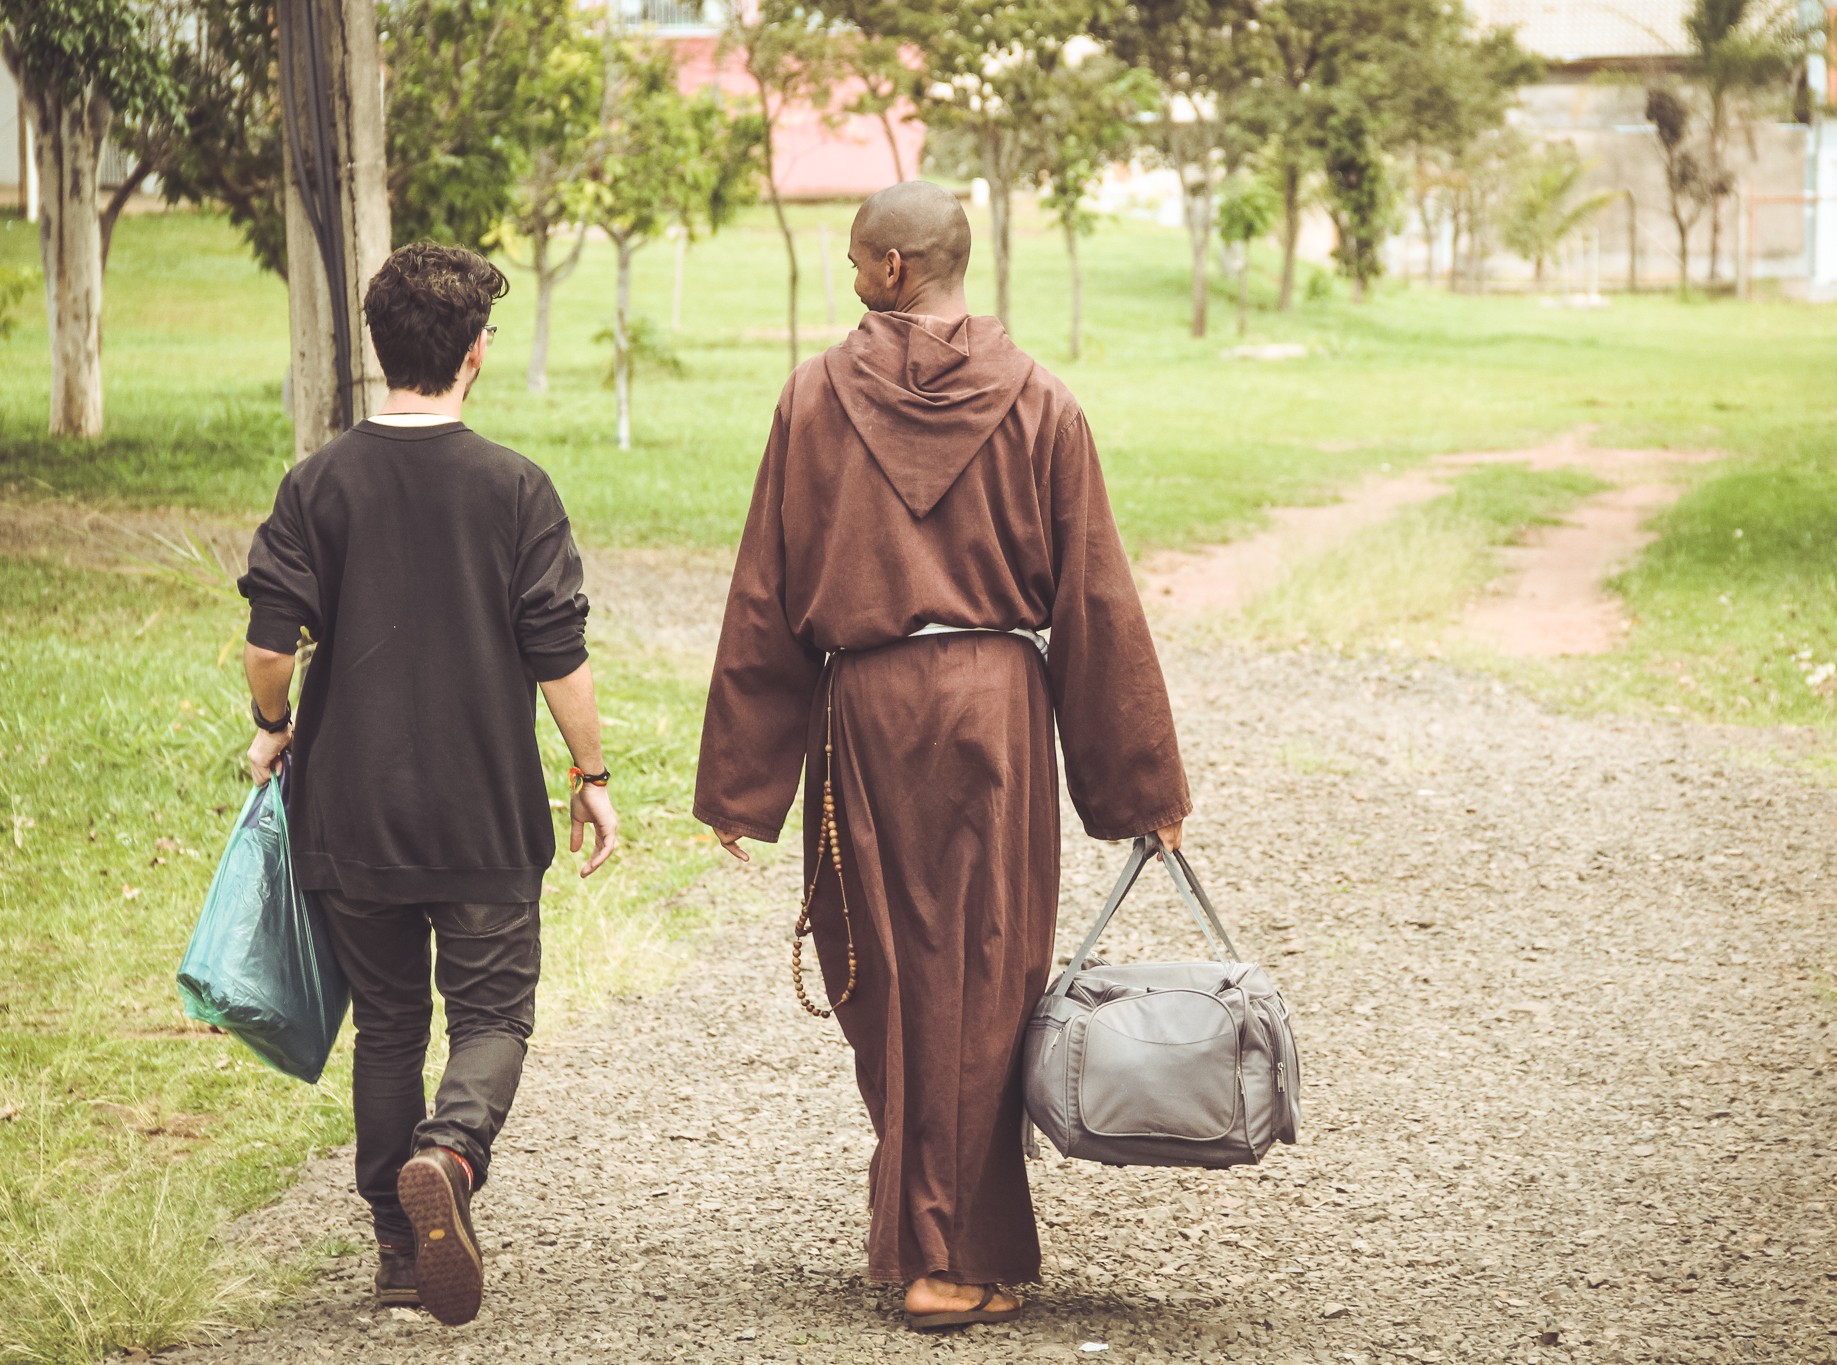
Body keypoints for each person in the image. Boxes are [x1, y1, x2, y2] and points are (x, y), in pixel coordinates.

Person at [694, 181, 1191, 1330]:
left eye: (857, 258)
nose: (850, 274)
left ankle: (930, 1240)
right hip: (995, 713)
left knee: (889, 984)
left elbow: (766, 594)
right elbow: (1094, 601)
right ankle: (949, 1248)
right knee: (985, 978)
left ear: (891, 272)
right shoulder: (1042, 403)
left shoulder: (814, 399)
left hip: (863, 714)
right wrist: (1139, 788)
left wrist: (740, 782)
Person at [236, 242, 619, 1327]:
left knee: (391, 1022)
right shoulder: (512, 488)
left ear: (380, 348)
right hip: (484, 811)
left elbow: (269, 647)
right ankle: (449, 1156)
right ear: (474, 353)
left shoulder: (317, 482)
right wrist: (591, 776)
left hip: (349, 812)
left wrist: (274, 730)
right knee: (493, 1011)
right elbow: (559, 656)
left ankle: (399, 1256)